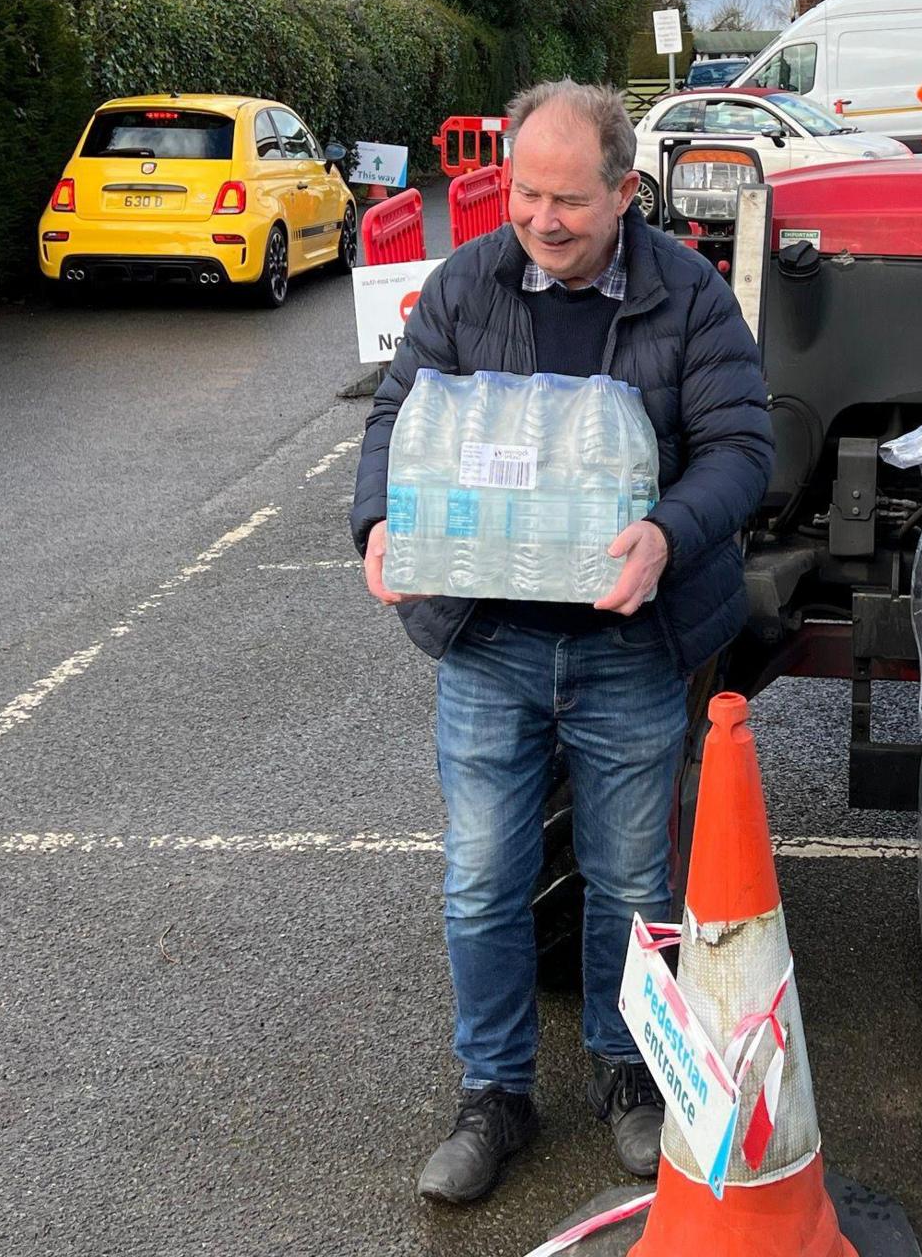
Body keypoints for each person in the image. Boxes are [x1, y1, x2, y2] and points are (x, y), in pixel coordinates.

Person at [350, 80, 772, 1204]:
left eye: (569, 201)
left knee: (630, 880)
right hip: (488, 638)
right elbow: (397, 415)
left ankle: (628, 1074)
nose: (541, 219)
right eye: (525, 194)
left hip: (628, 641)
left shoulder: (688, 295)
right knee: (482, 881)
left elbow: (740, 448)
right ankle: (493, 1095)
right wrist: (378, 516)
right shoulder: (464, 284)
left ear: (624, 192)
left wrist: (666, 534)